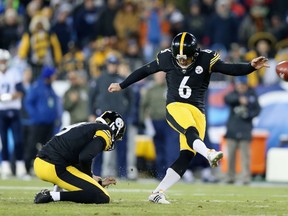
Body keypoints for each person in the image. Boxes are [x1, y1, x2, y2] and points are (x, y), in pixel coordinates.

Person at [108, 32, 269, 204]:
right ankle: (208, 153)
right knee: (190, 130)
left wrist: (250, 67)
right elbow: (145, 71)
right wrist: (122, 84)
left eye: (187, 58)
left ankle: (157, 192)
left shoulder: (206, 58)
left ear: (195, 53)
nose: (183, 61)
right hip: (175, 106)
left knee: (186, 155)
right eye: (180, 58)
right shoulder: (167, 58)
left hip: (197, 110)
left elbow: (229, 69)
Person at [33, 111, 126, 204]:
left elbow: (75, 156)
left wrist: (97, 182)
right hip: (54, 166)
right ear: (114, 127)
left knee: (95, 190)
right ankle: (52, 196)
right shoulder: (106, 131)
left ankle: (58, 189)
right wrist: (89, 177)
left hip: (41, 163)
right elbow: (85, 157)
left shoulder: (86, 127)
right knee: (103, 196)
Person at [224, 76, 261, 185]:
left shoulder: (252, 94)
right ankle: (230, 177)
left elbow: (257, 110)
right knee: (230, 156)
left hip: (245, 129)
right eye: (239, 85)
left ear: (246, 85)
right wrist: (238, 100)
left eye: (242, 85)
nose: (240, 87)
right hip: (232, 129)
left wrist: (248, 114)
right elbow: (226, 99)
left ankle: (245, 178)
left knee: (245, 156)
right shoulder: (233, 94)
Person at [0, 49, 28, 179]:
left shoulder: (14, 73)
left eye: (4, 60)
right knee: (3, 140)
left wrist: (10, 96)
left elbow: (21, 92)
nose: (2, 63)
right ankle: (5, 167)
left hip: (14, 110)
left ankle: (20, 167)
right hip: (1, 111)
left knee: (18, 140)